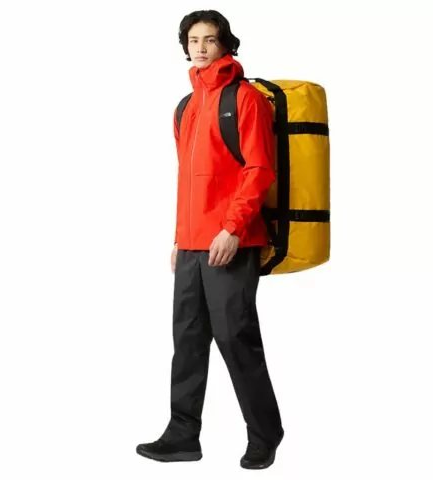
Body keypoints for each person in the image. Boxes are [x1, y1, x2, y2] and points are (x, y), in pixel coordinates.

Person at [136, 10, 284, 470]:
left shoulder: (245, 99)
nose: (200, 48)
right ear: (185, 45)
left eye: (210, 39)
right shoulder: (185, 106)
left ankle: (265, 434)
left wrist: (233, 228)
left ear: (226, 44)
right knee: (188, 339)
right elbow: (189, 181)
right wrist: (180, 238)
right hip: (192, 243)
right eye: (193, 40)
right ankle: (182, 435)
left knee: (236, 338)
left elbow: (259, 170)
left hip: (231, 241)